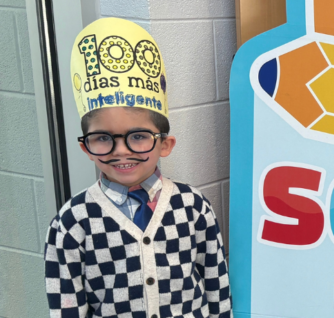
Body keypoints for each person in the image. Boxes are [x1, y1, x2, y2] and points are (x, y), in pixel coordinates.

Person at [44, 17, 232, 318]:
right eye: (103, 138)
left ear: (165, 144)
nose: (121, 151)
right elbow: (66, 303)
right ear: (86, 148)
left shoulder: (193, 206)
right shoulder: (72, 222)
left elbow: (216, 282)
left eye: (138, 136)